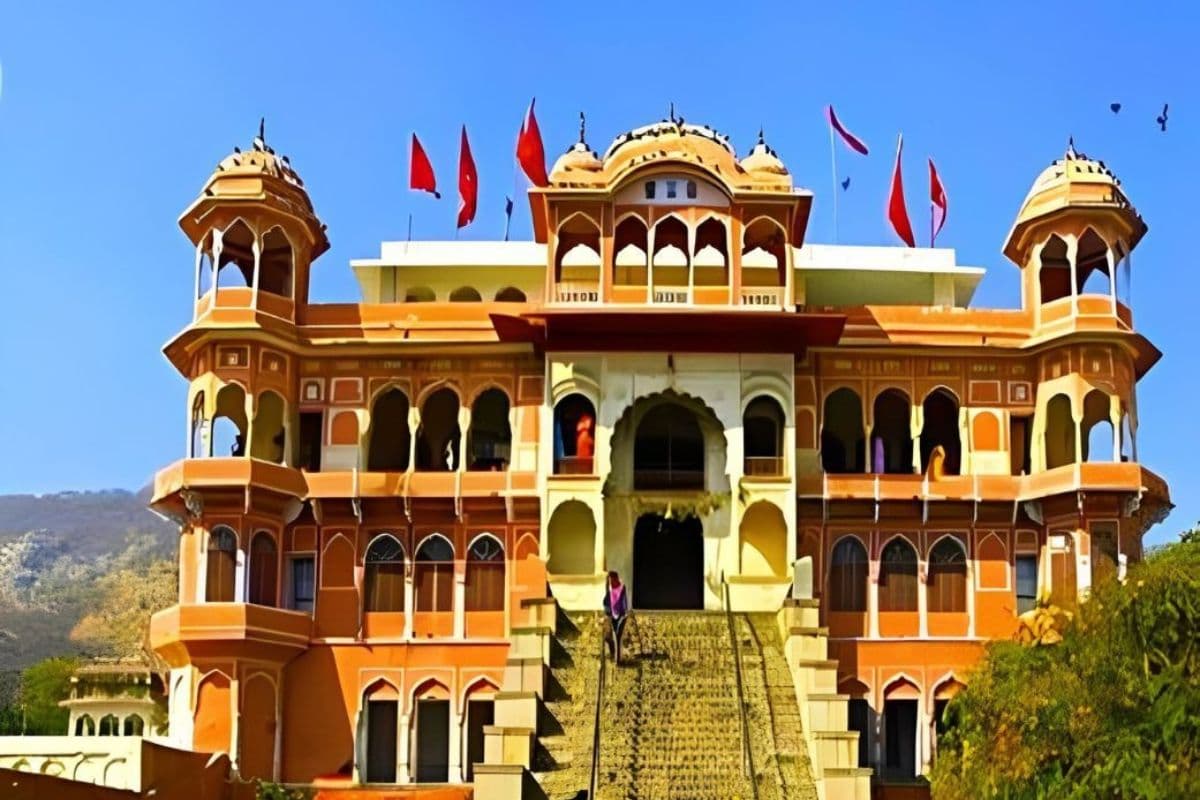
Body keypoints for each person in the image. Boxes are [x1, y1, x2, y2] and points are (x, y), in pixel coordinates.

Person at [602, 570, 628, 665]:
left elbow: (624, 601)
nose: (611, 583)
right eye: (609, 582)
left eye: (612, 581)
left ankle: (618, 659)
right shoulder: (609, 587)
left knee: (618, 635)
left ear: (616, 579)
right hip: (610, 614)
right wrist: (606, 609)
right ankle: (614, 653)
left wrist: (625, 612)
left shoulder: (622, 588)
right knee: (608, 636)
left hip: (621, 615)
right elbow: (606, 599)